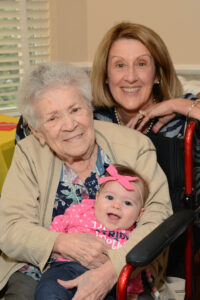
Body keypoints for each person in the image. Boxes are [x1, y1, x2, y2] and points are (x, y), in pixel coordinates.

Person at [0, 62, 172, 300]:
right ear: (37, 131)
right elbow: (10, 229)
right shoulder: (29, 154)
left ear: (89, 109)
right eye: (53, 118)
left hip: (123, 266)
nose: (70, 125)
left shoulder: (135, 146)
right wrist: (60, 242)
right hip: (41, 268)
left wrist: (114, 268)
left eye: (75, 109)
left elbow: (158, 214)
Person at [90, 21, 200, 279]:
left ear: (158, 74)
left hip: (165, 244)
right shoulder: (93, 119)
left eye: (141, 64)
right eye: (119, 65)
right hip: (98, 238)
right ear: (106, 76)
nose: (130, 77)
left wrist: (178, 104)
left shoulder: (182, 120)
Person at [35, 164, 150, 300]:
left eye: (127, 203)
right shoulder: (81, 211)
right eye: (110, 198)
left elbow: (131, 269)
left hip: (106, 281)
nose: (116, 205)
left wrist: (132, 293)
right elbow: (57, 227)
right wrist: (53, 247)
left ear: (139, 215)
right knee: (49, 290)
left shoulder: (132, 236)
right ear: (97, 198)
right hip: (67, 267)